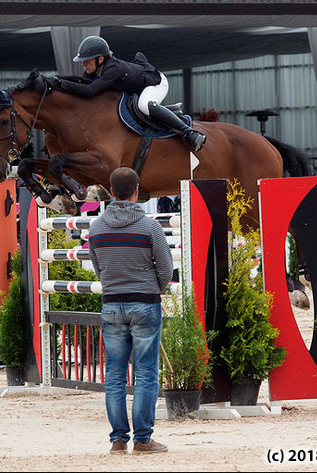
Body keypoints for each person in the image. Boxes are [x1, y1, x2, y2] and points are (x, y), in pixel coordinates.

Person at [87, 167, 173, 455]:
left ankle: (118, 439)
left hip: (111, 303)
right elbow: (165, 269)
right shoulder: (150, 227)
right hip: (145, 302)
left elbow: (99, 268)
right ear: (137, 191)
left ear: (111, 191)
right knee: (146, 373)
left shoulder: (96, 228)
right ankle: (143, 439)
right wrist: (153, 288)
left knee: (114, 374)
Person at [55, 36, 206, 152]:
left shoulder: (113, 69)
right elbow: (82, 82)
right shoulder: (95, 70)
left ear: (100, 59)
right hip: (140, 87)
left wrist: (62, 84)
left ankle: (190, 133)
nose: (83, 64)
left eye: (87, 61)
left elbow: (89, 91)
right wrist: (59, 80)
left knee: (144, 105)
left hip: (155, 83)